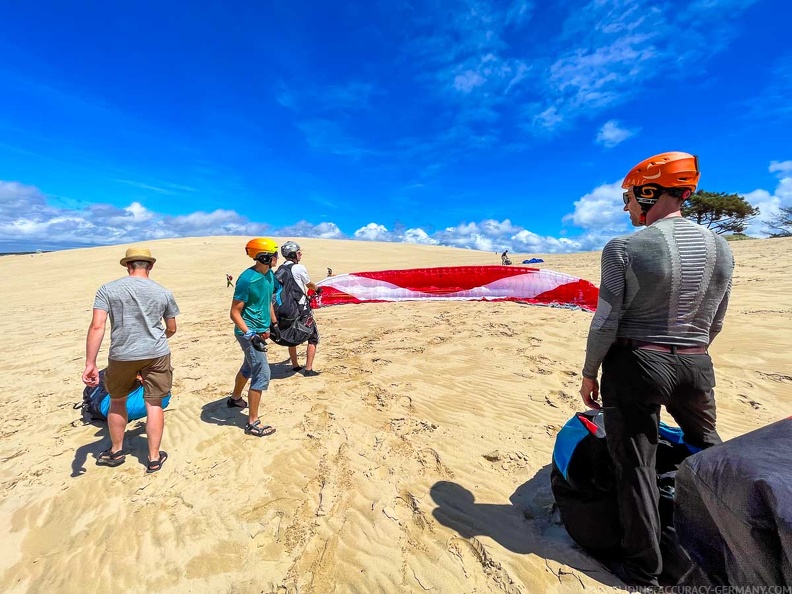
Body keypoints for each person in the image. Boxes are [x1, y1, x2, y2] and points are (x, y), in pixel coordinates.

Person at [578, 152, 734, 587]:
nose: (627, 207)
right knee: (708, 451)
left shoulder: (624, 247)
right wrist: (686, 353)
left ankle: (643, 569)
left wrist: (590, 371)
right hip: (697, 362)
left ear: (649, 192)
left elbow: (607, 318)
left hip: (636, 364)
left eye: (629, 198)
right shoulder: (722, 248)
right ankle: (733, 543)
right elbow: (716, 319)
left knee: (636, 465)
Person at [82, 247, 180, 473]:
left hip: (122, 355)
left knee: (117, 400)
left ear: (128, 265)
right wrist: (157, 339)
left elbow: (98, 326)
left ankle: (116, 451)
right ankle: (154, 458)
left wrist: (90, 363)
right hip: (156, 354)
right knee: (154, 403)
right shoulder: (163, 292)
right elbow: (172, 328)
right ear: (151, 266)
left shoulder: (108, 289)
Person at [227, 238, 280, 437]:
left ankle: (234, 399)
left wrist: (273, 324)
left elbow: (267, 302)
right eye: (275, 254)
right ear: (264, 256)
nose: (277, 258)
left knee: (249, 367)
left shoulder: (269, 275)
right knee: (262, 372)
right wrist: (251, 335)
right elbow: (234, 312)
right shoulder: (247, 279)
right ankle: (252, 422)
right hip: (247, 333)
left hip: (261, 331)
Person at [279, 241, 321, 377]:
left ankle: (295, 365)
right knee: (313, 337)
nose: (300, 254)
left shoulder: (280, 269)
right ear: (293, 254)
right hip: (301, 308)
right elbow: (309, 284)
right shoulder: (298, 268)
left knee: (292, 335)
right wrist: (318, 289)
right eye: (298, 252)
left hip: (286, 309)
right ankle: (308, 369)